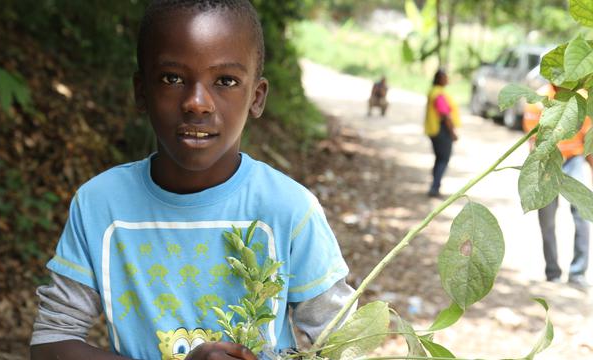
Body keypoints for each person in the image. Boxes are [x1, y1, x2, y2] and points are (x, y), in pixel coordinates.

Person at [29, 1, 355, 359]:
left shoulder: (288, 209)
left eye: (226, 81)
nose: (197, 103)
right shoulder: (100, 206)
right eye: (173, 78)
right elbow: (51, 342)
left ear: (256, 97)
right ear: (141, 91)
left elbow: (346, 345)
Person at [522, 83, 593, 288]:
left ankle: (578, 272)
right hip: (547, 162)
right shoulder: (538, 101)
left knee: (583, 214)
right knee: (547, 219)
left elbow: (588, 141)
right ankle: (552, 271)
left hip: (574, 160)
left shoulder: (581, 100)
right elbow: (533, 143)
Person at [424, 69, 460, 198]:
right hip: (441, 130)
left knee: (439, 158)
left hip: (434, 130)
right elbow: (445, 115)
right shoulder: (438, 94)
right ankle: (435, 186)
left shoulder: (433, 91)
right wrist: (452, 132)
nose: (447, 79)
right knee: (444, 158)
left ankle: (435, 184)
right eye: (445, 77)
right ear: (439, 79)